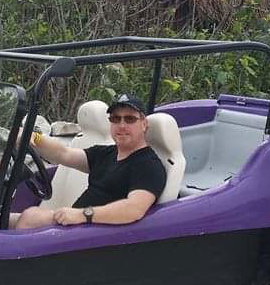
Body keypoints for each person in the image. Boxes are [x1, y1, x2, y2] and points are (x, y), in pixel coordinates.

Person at [12, 93, 167, 229]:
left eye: (130, 119)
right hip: (74, 225)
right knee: (3, 218)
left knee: (30, 217)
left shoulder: (149, 165)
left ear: (144, 124)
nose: (122, 125)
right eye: (115, 118)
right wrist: (34, 138)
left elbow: (134, 209)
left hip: (93, 237)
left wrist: (83, 214)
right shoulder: (106, 153)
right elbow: (63, 154)